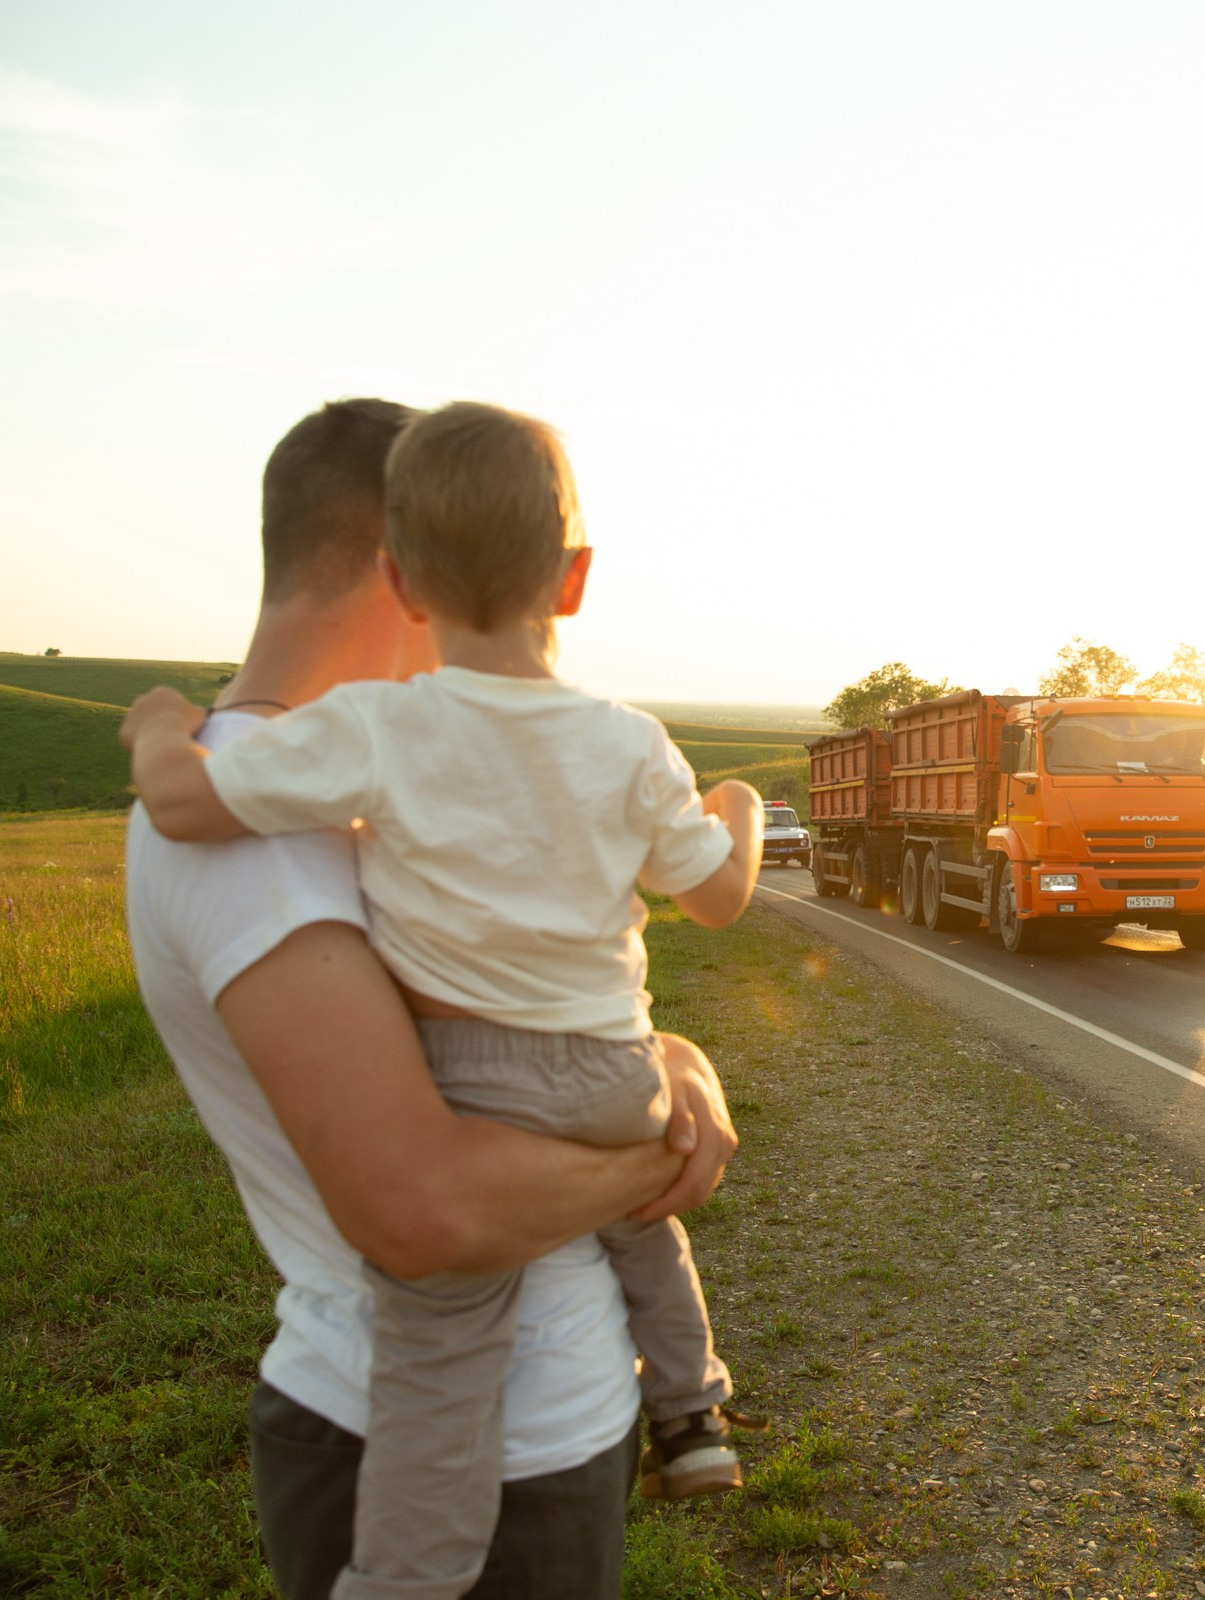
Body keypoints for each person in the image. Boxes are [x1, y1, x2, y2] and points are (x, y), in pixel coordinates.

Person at [123, 401, 764, 1600]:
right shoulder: (606, 742)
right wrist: (664, 1136)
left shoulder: (364, 747)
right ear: (569, 581)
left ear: (407, 572)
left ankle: (666, 1421)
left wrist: (158, 722)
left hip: (549, 1422)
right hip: (486, 1452)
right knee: (532, 1296)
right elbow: (422, 1212)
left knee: (457, 1338)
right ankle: (698, 1412)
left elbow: (187, 794)